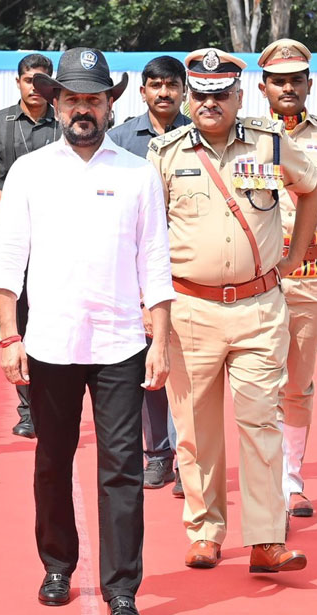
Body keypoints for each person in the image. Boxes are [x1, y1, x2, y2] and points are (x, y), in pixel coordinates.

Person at [0, 47, 174, 615]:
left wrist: (162, 339)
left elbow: (156, 263)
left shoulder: (137, 172)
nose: (83, 110)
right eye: (72, 99)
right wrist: (6, 338)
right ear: (56, 102)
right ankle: (57, 565)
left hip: (121, 341)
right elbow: (7, 261)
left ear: (109, 103)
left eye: (93, 99)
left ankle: (122, 590)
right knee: (52, 460)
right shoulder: (30, 171)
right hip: (49, 341)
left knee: (122, 468)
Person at [147, 48, 317, 572]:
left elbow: (311, 188)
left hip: (259, 308)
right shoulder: (165, 153)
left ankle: (267, 538)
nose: (209, 103)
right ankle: (205, 531)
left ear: (239, 97)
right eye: (199, 94)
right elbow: (145, 233)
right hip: (189, 310)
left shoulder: (271, 145)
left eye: (220, 94)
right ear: (187, 96)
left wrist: (295, 253)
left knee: (260, 421)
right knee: (196, 431)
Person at [257, 38, 317, 519]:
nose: (288, 87)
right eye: (279, 80)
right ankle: (263, 480)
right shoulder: (245, 136)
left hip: (312, 276)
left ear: (309, 84)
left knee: (298, 383)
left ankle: (291, 479)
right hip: (256, 276)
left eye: (296, 79)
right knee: (258, 382)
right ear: (263, 87)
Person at [0, 52, 62, 440]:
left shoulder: (67, 120)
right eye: (28, 80)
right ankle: (28, 409)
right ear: (18, 82)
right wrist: (7, 198)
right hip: (14, 234)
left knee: (54, 316)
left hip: (63, 235)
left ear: (51, 84)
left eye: (42, 81)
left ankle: (57, 400)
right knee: (19, 319)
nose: (34, 87)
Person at [109, 55, 191, 497]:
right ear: (142, 92)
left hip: (189, 267)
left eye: (172, 85)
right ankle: (156, 455)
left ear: (183, 90)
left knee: (187, 367)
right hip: (135, 270)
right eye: (155, 85)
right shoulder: (120, 140)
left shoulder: (200, 135)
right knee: (149, 364)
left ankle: (187, 458)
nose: (164, 92)